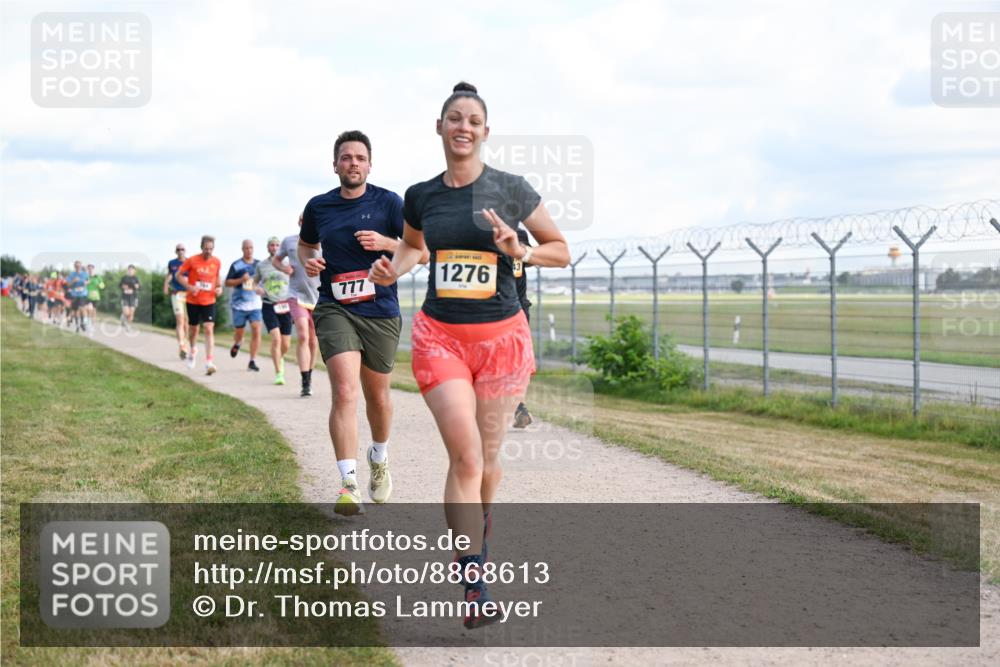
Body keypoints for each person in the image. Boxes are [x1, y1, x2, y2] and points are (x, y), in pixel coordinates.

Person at [370, 82, 570, 629]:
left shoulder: (510, 189)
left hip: (503, 340)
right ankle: (474, 581)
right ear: (439, 128)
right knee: (466, 458)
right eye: (454, 118)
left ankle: (478, 532)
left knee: (487, 459)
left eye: (473, 120)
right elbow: (414, 245)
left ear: (485, 130)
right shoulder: (421, 195)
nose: (463, 126)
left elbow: (561, 250)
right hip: (441, 339)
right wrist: (396, 267)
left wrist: (521, 250)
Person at [299, 130, 427, 516]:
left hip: (380, 310)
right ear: (335, 164)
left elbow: (421, 252)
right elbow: (307, 246)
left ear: (370, 164)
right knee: (344, 391)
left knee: (379, 398)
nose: (353, 163)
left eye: (359, 158)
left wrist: (387, 243)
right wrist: (309, 260)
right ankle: (348, 483)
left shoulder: (390, 203)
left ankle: (379, 455)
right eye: (346, 157)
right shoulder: (319, 207)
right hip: (335, 308)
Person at [275, 216, 320, 396]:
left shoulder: (323, 241)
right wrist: (284, 268)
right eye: (303, 220)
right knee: (302, 334)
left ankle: (309, 375)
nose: (306, 223)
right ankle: (305, 382)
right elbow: (276, 260)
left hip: (317, 296)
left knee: (313, 339)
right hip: (296, 294)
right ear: (300, 222)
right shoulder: (289, 241)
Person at [176, 235, 223, 375]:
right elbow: (178, 275)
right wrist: (189, 287)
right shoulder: (192, 260)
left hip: (209, 301)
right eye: (206, 248)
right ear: (201, 247)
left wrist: (219, 288)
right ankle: (193, 350)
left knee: (209, 328)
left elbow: (217, 278)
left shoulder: (217, 262)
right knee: (194, 329)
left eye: (211, 249)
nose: (208, 251)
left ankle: (209, 361)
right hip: (193, 300)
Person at [255, 236, 293, 384]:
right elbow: (254, 282)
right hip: (269, 304)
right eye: (272, 245)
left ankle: (279, 357)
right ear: (268, 247)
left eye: (277, 245)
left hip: (286, 304)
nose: (275, 247)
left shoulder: (288, 264)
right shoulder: (261, 265)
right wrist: (257, 289)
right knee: (276, 338)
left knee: (286, 344)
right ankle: (279, 373)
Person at [225, 239, 264, 371]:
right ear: (242, 249)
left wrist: (260, 288)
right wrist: (241, 280)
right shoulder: (236, 265)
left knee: (256, 329)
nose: (249, 250)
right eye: (246, 248)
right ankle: (238, 342)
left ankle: (252, 361)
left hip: (255, 304)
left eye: (251, 248)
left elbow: (264, 281)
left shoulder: (259, 264)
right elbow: (228, 282)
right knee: (239, 332)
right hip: (239, 305)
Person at [512, 228, 534, 428]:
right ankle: (519, 405)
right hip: (518, 307)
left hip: (511, 307)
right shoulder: (518, 234)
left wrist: (521, 250)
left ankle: (519, 405)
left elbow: (532, 258)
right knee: (518, 361)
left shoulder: (518, 234)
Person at [163, 244, 190, 359]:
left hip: (188, 295)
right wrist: (165, 285)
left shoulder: (190, 262)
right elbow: (170, 275)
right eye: (178, 249)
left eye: (182, 249)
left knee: (187, 323)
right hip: (177, 294)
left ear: (185, 251)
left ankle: (185, 345)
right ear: (176, 251)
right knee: (180, 321)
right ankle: (182, 345)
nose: (180, 251)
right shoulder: (172, 263)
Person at [67, 261, 90, 332]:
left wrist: (86, 283)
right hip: (74, 294)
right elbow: (68, 285)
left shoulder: (85, 274)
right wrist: (73, 281)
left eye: (79, 266)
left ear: (81, 266)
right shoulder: (71, 274)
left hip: (83, 294)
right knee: (75, 311)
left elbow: (88, 281)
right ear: (74, 267)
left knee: (82, 308)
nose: (78, 267)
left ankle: (84, 323)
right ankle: (77, 325)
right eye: (76, 266)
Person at [119, 264, 140, 331]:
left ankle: (128, 326)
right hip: (125, 297)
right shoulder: (124, 278)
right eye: (129, 269)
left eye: (132, 269)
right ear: (127, 270)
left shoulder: (136, 278)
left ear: (134, 271)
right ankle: (123, 317)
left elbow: (139, 287)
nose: (130, 271)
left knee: (131, 313)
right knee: (126, 312)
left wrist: (136, 286)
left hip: (133, 297)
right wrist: (124, 287)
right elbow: (120, 285)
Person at [85, 264, 104, 334]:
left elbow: (102, 286)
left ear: (93, 269)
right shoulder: (86, 277)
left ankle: (92, 326)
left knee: (94, 311)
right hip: (87, 295)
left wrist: (98, 284)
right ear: (87, 269)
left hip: (96, 296)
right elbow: (82, 284)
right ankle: (88, 321)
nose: (90, 270)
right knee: (89, 309)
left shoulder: (98, 277)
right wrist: (85, 283)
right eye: (88, 268)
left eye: (91, 268)